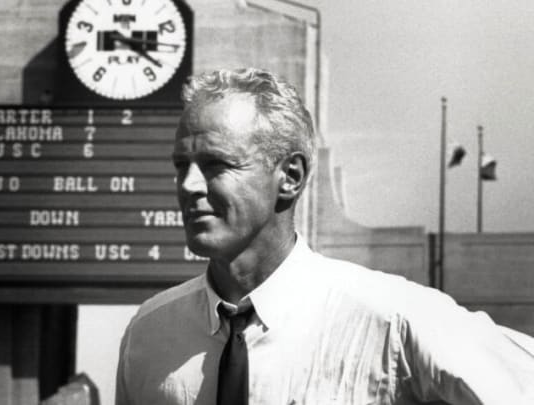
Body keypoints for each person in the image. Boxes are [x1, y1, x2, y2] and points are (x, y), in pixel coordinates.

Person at [115, 68, 534, 405]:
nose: (188, 185)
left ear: (290, 177)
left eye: (215, 164)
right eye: (180, 164)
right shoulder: (149, 335)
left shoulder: (393, 320)